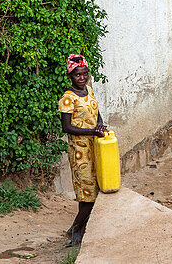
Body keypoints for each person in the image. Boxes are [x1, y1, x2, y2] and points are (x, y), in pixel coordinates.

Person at [59, 54, 107, 247]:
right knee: (87, 193)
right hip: (79, 152)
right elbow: (66, 127)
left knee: (94, 189)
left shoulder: (89, 90)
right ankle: (77, 231)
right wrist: (91, 132)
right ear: (70, 75)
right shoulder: (67, 98)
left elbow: (97, 114)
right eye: (78, 75)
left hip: (94, 147)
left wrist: (100, 127)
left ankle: (75, 228)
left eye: (85, 74)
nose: (82, 78)